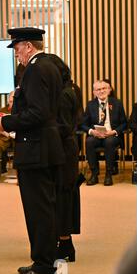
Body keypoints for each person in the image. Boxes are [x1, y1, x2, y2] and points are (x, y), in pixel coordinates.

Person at [0, 27, 65, 274]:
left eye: (17, 48)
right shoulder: (50, 65)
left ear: (28, 46)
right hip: (45, 146)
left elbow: (37, 113)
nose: (16, 54)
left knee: (39, 210)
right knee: (45, 207)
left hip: (36, 148)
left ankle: (44, 268)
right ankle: (44, 260)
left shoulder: (34, 69)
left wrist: (6, 122)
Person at [48, 53, 83, 263]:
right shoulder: (69, 89)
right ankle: (65, 244)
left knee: (62, 196)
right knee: (64, 196)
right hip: (66, 149)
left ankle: (64, 243)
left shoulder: (62, 94)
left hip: (63, 151)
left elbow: (61, 127)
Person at [80, 80, 127, 186]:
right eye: (98, 89)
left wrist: (113, 132)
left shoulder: (117, 103)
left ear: (109, 90)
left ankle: (108, 174)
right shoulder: (90, 105)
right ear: (94, 92)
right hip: (96, 135)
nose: (101, 91)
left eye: (104, 88)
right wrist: (92, 131)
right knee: (89, 141)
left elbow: (124, 123)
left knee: (109, 142)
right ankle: (94, 174)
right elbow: (83, 124)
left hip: (111, 135)